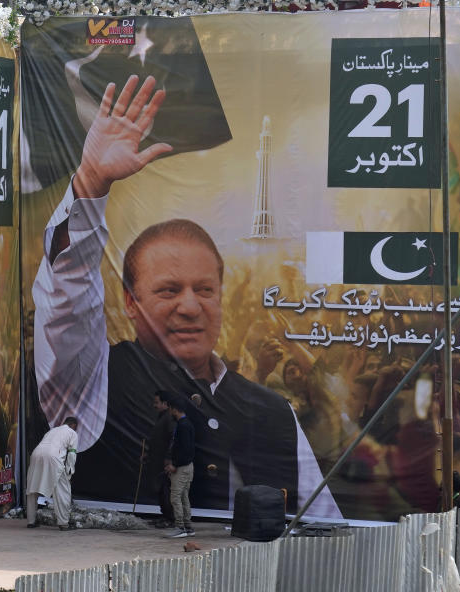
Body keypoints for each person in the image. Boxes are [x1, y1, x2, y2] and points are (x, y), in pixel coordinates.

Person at [32, 74, 340, 517]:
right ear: (130, 302)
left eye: (204, 290)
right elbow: (66, 296)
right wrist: (90, 185)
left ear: (221, 296)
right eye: (169, 290)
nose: (190, 306)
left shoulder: (273, 414)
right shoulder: (89, 381)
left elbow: (319, 521)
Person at [25, 417, 79, 531]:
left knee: (31, 489)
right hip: (53, 457)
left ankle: (31, 521)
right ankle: (63, 523)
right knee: (63, 491)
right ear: (73, 425)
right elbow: (72, 454)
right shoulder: (72, 433)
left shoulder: (52, 430)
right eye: (76, 427)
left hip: (36, 455)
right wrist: (69, 472)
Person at [165, 395, 195, 538]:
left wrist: (174, 464)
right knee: (184, 497)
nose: (169, 411)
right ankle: (188, 527)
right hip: (187, 466)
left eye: (170, 408)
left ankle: (180, 527)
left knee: (175, 497)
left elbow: (185, 449)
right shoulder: (187, 424)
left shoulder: (183, 426)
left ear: (174, 409)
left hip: (182, 467)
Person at [148, 391, 175, 527]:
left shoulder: (169, 417)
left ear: (165, 404)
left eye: (157, 403)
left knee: (166, 489)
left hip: (165, 461)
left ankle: (170, 519)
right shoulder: (161, 417)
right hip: (157, 460)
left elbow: (173, 438)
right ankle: (165, 515)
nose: (154, 405)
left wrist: (169, 458)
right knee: (160, 489)